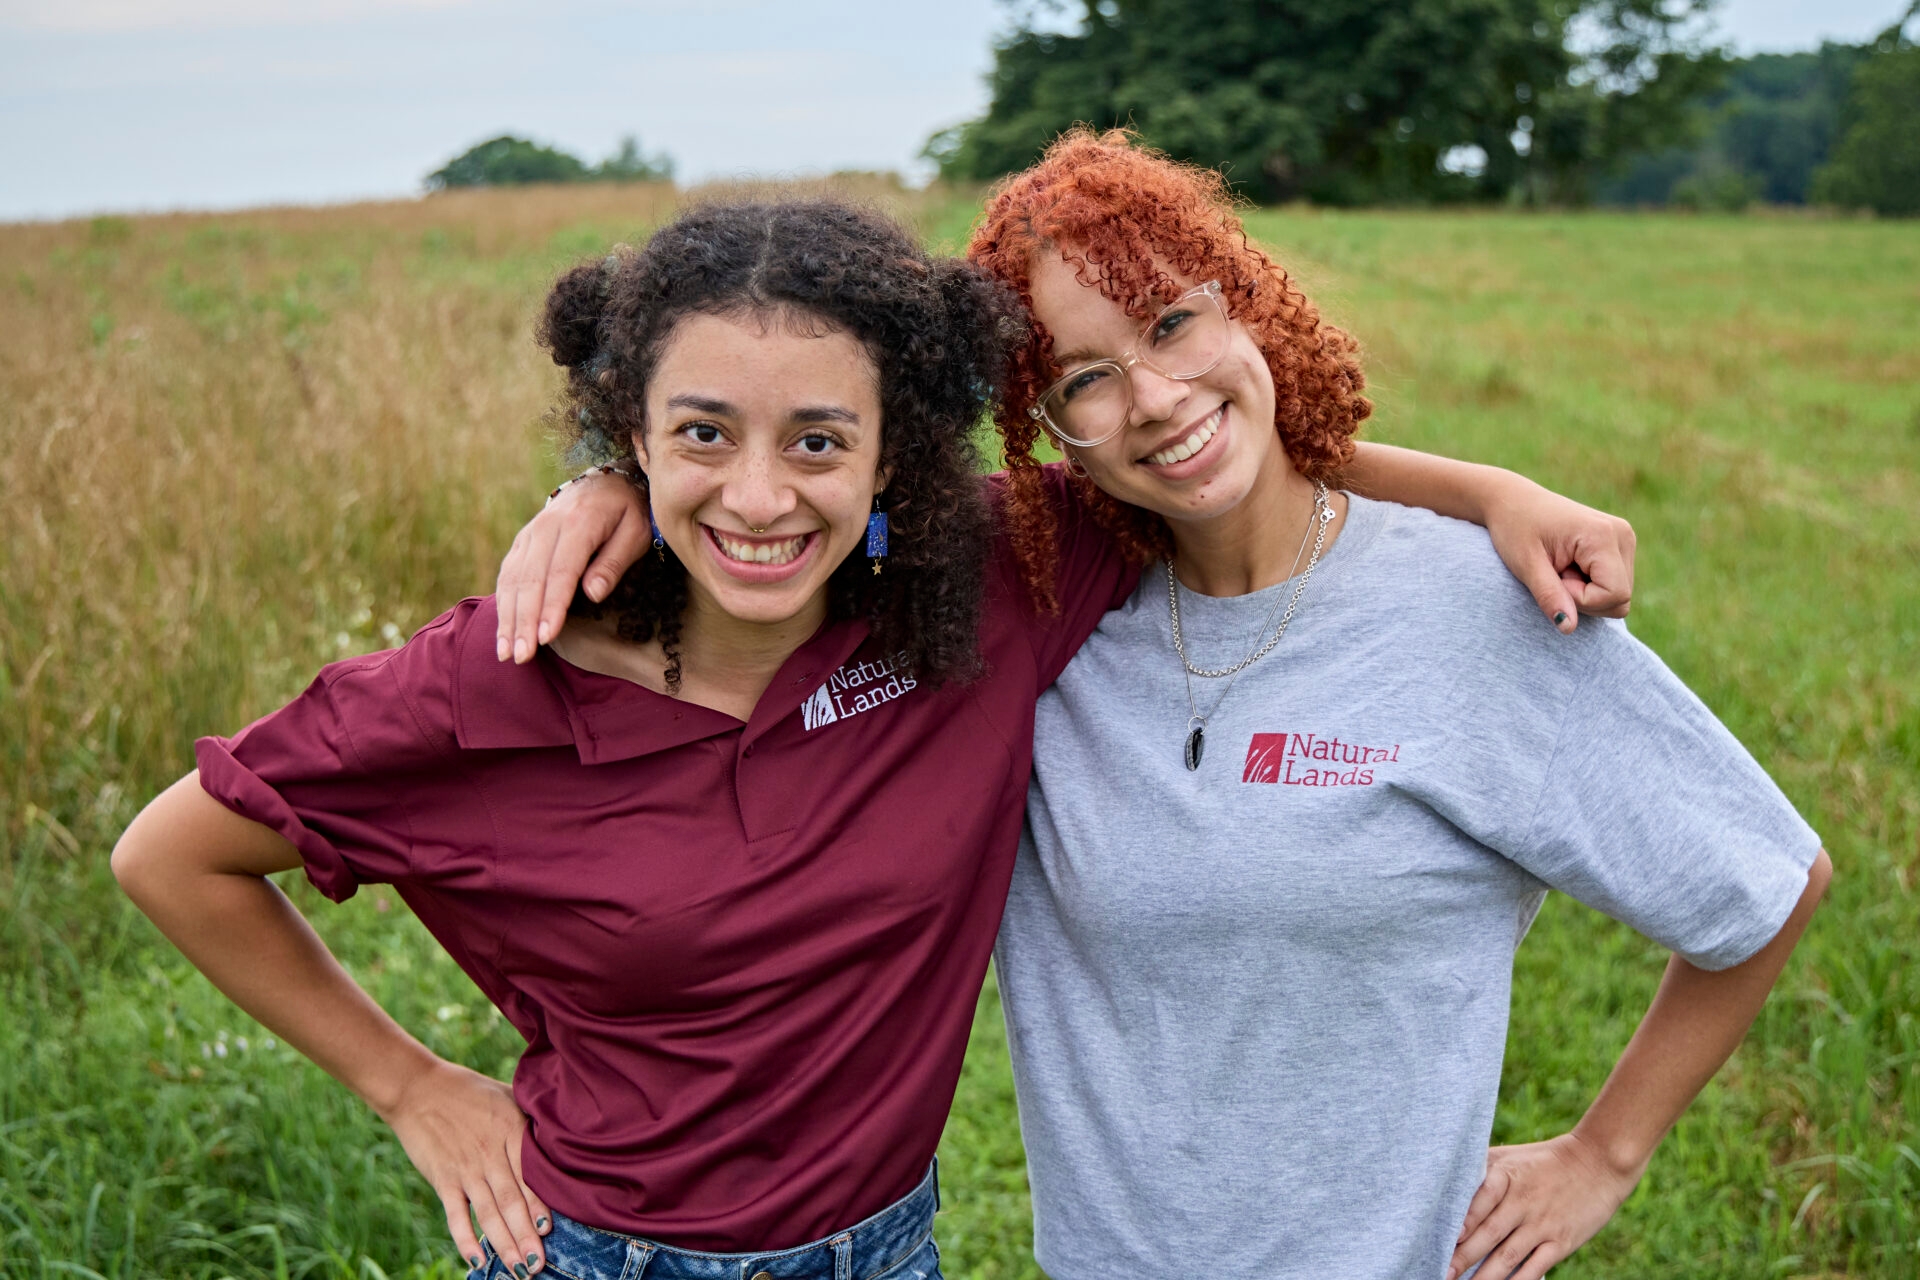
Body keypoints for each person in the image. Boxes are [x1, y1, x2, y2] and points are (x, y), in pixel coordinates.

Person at [508, 134, 1829, 1280]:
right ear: (1044, 429)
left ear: (1253, 307)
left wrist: (1605, 1154)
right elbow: (781, 500)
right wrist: (609, 486)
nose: (1152, 396)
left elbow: (1765, 883)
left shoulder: (1477, 612)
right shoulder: (1034, 601)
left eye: (1177, 323)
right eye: (1084, 379)